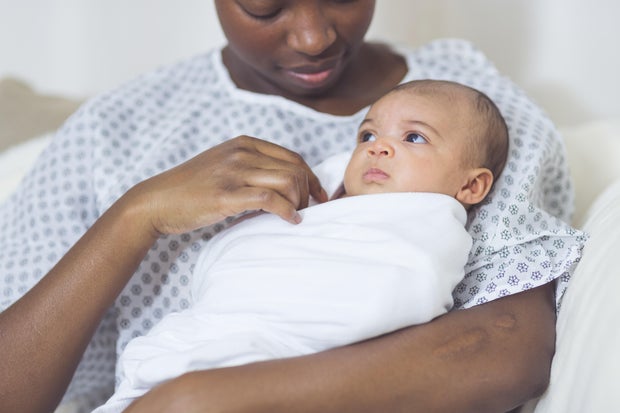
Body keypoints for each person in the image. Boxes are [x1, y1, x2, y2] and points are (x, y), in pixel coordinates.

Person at [0, 2, 586, 413]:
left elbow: (503, 348)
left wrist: (200, 401)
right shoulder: (115, 130)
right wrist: (138, 215)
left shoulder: (477, 113)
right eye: (266, 5)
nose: (313, 37)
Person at [93, 79, 510, 413]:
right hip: (208, 342)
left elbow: (405, 283)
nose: (377, 147)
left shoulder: (427, 224)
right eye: (367, 133)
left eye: (415, 138)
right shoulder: (324, 200)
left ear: (471, 185)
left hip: (282, 369)